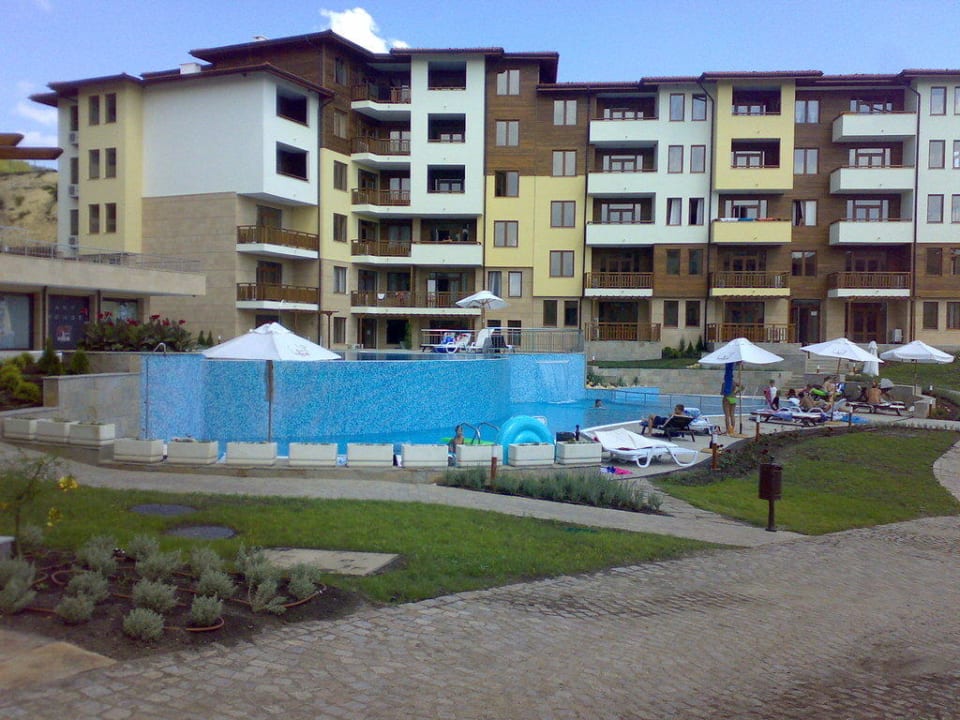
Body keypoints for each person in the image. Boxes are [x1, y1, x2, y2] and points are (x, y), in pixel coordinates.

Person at [721, 365, 740, 435]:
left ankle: (727, 430)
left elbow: (722, 393)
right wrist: (736, 392)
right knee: (732, 415)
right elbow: (742, 387)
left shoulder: (724, 383)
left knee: (727, 415)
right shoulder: (734, 382)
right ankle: (732, 429)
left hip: (726, 399)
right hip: (733, 398)